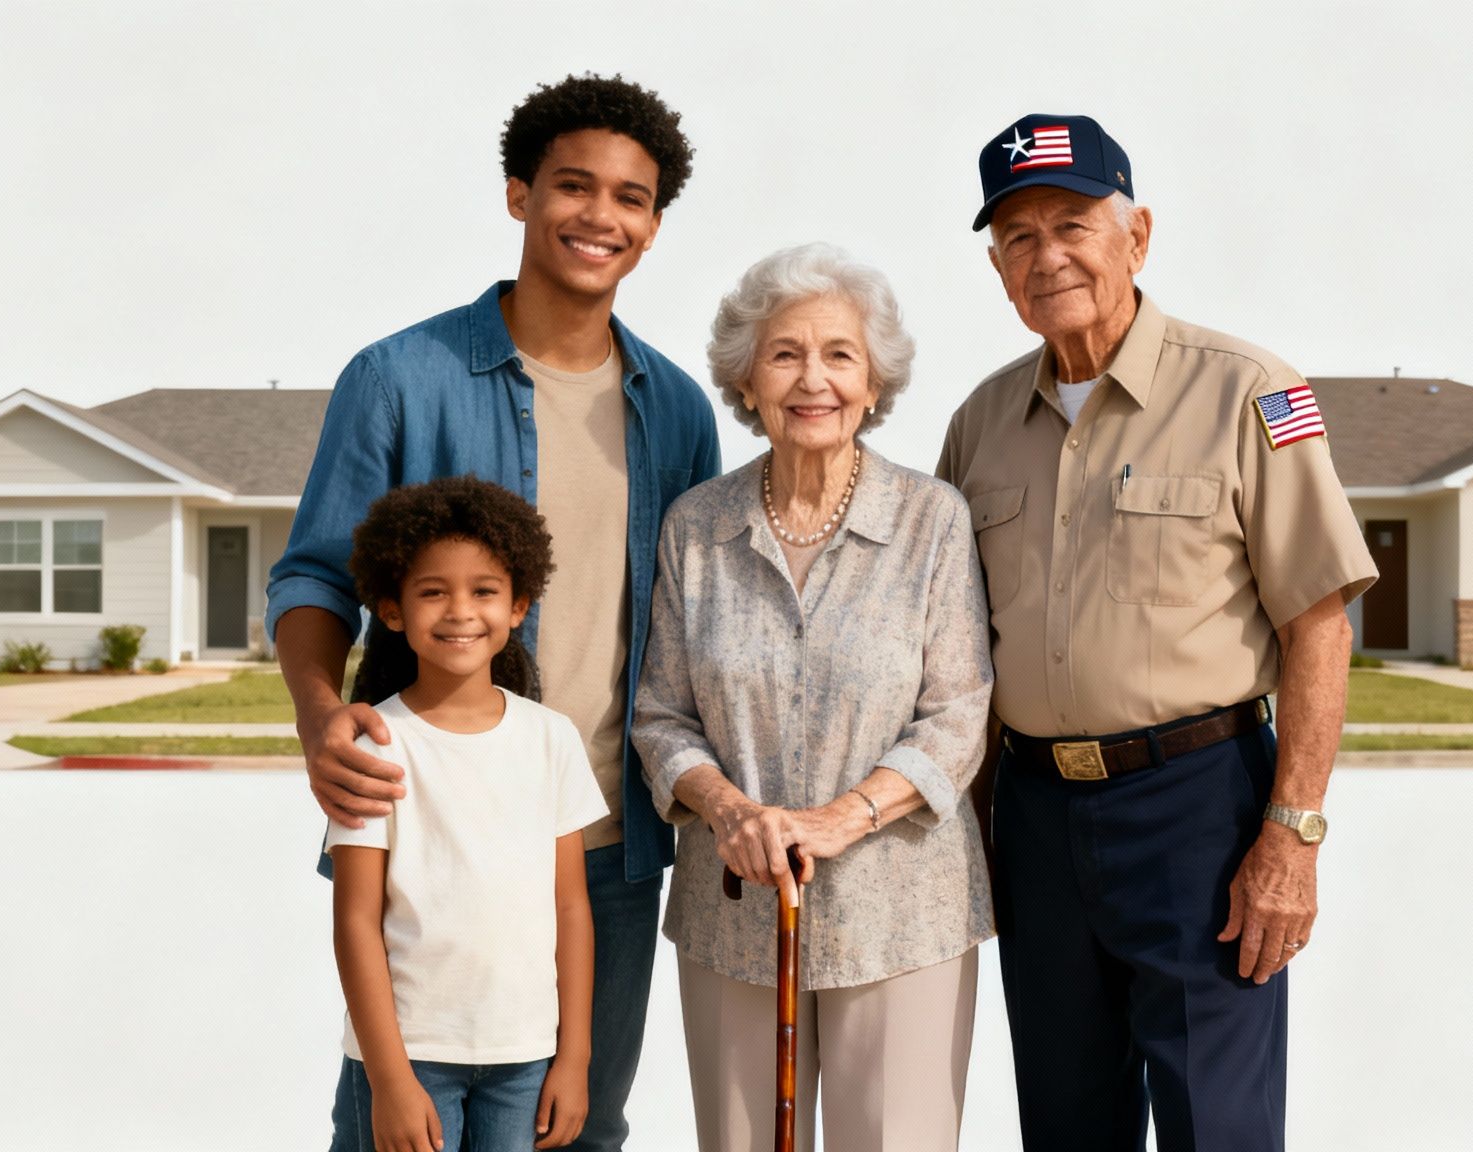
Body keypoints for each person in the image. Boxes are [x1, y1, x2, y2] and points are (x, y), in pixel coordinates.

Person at [267, 75, 720, 1152]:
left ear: (653, 228)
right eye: (572, 185)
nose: (598, 216)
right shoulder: (397, 378)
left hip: (605, 846)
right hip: (423, 836)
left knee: (580, 1126)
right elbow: (312, 577)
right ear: (519, 195)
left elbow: (704, 619)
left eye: (630, 198)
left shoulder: (679, 411)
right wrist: (316, 713)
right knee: (400, 1127)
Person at [936, 114, 1379, 1152]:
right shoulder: (978, 424)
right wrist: (978, 835)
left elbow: (1317, 626)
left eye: (1073, 224)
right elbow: (958, 655)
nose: (1046, 255)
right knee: (1064, 1121)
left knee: (1213, 1126)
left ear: (1135, 235)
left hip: (1198, 813)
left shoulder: (1249, 390)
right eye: (1017, 236)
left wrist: (1292, 834)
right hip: (1036, 817)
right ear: (997, 267)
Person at [632, 243, 995, 1152]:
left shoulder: (932, 518)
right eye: (784, 352)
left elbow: (958, 713)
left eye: (840, 354)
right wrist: (727, 809)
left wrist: (842, 817)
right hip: (734, 910)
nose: (813, 378)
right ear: (747, 382)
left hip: (903, 910)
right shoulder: (698, 526)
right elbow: (661, 713)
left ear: (874, 383)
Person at [327, 476, 604, 1152]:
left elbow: (571, 907)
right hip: (410, 1054)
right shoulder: (375, 745)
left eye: (484, 590)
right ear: (392, 610)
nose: (460, 611)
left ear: (518, 606)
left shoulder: (551, 738)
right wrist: (390, 1080)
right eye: (432, 591)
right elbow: (356, 921)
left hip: (525, 1055)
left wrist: (574, 1056)